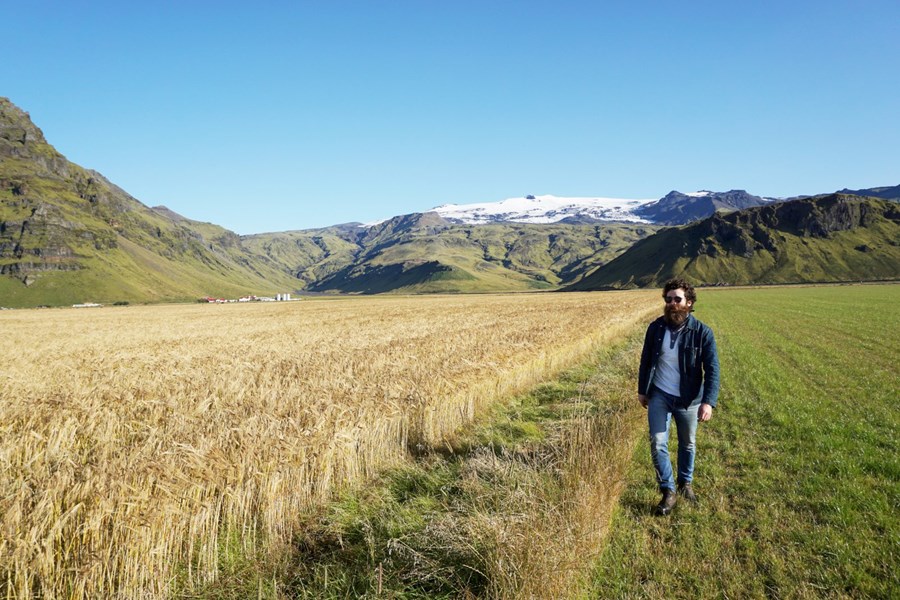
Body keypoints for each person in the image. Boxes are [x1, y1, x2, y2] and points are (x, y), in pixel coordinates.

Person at [638, 278, 720, 515]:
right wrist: (642, 390)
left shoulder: (702, 333)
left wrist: (708, 402)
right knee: (657, 441)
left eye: (677, 299)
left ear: (689, 302)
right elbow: (646, 361)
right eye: (668, 299)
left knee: (688, 443)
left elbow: (712, 369)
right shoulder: (655, 328)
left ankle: (686, 483)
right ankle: (668, 490)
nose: (672, 303)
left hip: (689, 398)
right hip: (660, 395)